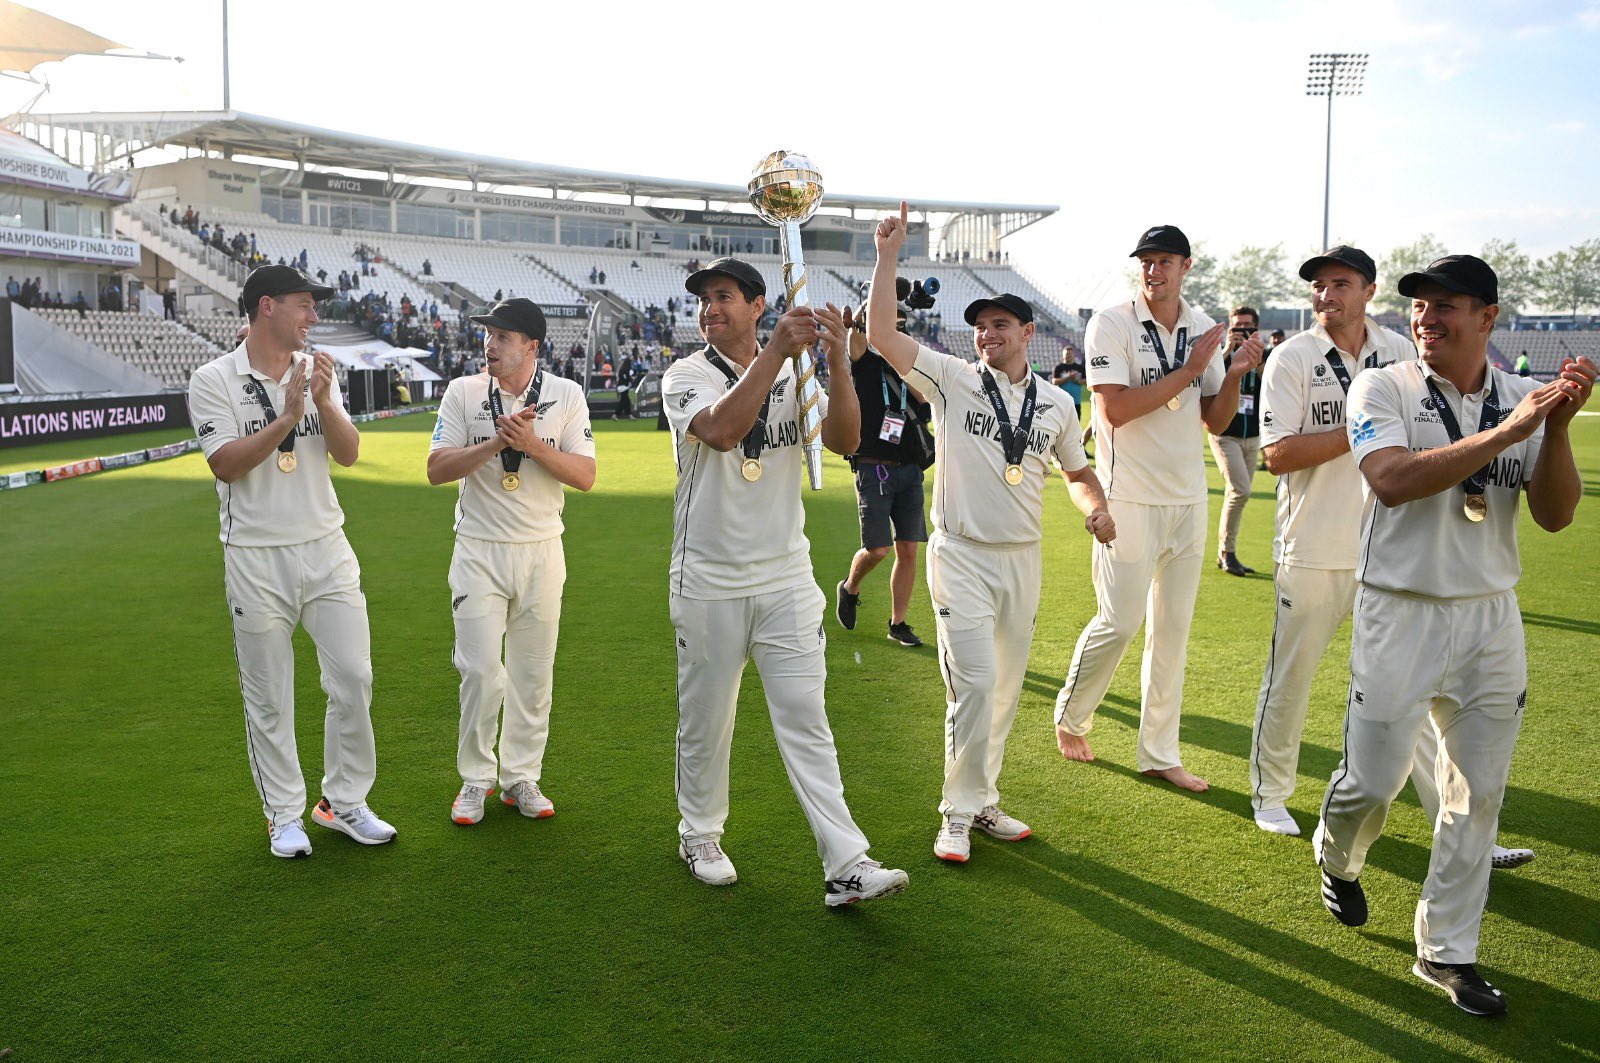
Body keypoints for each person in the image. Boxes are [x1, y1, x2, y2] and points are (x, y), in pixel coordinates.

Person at [1314, 255, 1594, 1016]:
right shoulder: (1384, 385)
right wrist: (1509, 430)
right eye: (1419, 306)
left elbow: (1557, 513)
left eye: (1447, 306)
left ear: (1489, 318)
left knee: (1476, 796)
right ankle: (1337, 855)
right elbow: (1393, 479)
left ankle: (1447, 953)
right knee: (1371, 782)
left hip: (1490, 615)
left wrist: (1555, 430)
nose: (1427, 317)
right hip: (1398, 610)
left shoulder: (1522, 400)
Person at [868, 204, 1114, 862]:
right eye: (979, 327)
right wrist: (887, 256)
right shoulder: (951, 379)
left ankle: (982, 801)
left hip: (1022, 561)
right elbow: (883, 337)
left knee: (1003, 690)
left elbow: (1078, 470)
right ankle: (954, 811)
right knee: (972, 683)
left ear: (1027, 332)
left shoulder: (1060, 403)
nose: (986, 335)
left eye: (999, 325)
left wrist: (1094, 504)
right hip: (962, 555)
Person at [661, 256, 908, 907]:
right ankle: (701, 833)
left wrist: (834, 359)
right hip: (707, 578)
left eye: (723, 296)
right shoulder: (684, 374)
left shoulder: (796, 372)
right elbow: (719, 430)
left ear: (757, 302)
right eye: (703, 300)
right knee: (706, 719)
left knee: (805, 716)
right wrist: (776, 351)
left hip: (785, 577)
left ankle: (844, 861)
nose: (710, 308)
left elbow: (848, 440)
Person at [185, 264, 396, 859]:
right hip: (254, 555)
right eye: (305, 305)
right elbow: (225, 463)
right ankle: (283, 815)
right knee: (270, 696)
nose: (313, 317)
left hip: (327, 546)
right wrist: (284, 415)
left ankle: (343, 802)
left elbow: (350, 453)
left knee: (354, 677)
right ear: (267, 306)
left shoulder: (316, 371)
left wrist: (323, 401)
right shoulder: (213, 379)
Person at [1053, 225, 1261, 792]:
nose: (1154, 270)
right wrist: (1191, 371)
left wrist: (1235, 374)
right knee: (1120, 623)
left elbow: (1213, 420)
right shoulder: (1112, 323)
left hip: (1188, 500)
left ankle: (1159, 753)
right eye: (1146, 260)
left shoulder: (1200, 327)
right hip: (1128, 499)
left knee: (1172, 633)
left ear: (1185, 266)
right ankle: (1071, 716)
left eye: (1165, 260)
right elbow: (1114, 410)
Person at [427, 298, 596, 827]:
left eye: (503, 337)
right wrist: (495, 442)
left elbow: (585, 475)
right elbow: (436, 469)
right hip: (478, 548)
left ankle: (521, 776)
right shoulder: (463, 392)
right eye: (488, 335)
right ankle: (475, 780)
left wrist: (533, 445)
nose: (490, 344)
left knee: (533, 673)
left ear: (532, 346)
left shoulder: (566, 394)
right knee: (480, 672)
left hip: (543, 549)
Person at [833, 299, 933, 648]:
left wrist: (909, 370)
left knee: (909, 550)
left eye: (902, 326)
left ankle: (898, 622)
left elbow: (927, 405)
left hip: (909, 468)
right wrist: (868, 308)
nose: (898, 332)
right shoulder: (867, 363)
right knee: (877, 550)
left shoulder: (917, 370)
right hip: (874, 465)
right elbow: (855, 342)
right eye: (891, 325)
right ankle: (849, 587)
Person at [1206, 305, 1268, 575]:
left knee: (1239, 495)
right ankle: (1227, 552)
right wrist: (1227, 350)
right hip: (1225, 434)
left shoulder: (1266, 356)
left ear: (1256, 329)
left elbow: (1274, 384)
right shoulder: (1222, 357)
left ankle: (1227, 551)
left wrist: (1257, 357)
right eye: (1236, 327)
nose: (1242, 331)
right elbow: (1207, 381)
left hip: (1252, 435)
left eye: (1247, 327)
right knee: (1240, 490)